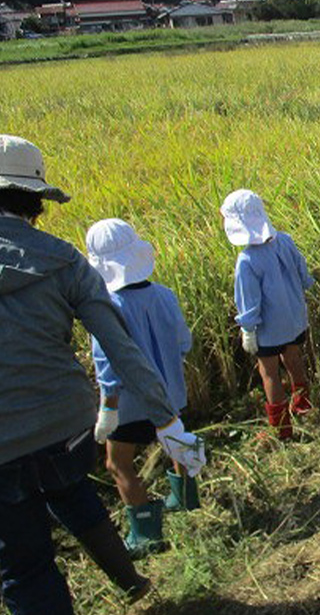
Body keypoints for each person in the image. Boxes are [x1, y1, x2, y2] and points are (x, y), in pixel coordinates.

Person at [0, 134, 205, 614]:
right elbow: (123, 348)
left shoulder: (72, 261)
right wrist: (168, 421)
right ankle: (131, 579)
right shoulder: (62, 259)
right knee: (71, 493)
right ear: (35, 199)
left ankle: (128, 575)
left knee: (27, 567)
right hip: (64, 424)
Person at [86, 218, 200, 559]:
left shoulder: (105, 309)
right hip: (169, 395)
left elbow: (107, 366)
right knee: (176, 442)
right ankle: (186, 498)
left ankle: (147, 534)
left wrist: (108, 408)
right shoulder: (164, 295)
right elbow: (184, 342)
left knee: (117, 462)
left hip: (130, 405)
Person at [221, 189, 315, 442]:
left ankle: (281, 429)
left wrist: (248, 330)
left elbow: (248, 301)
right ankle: (303, 405)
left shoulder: (247, 260)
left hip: (269, 329)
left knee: (269, 373)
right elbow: (303, 273)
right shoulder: (284, 240)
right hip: (295, 318)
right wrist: (304, 285)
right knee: (294, 360)